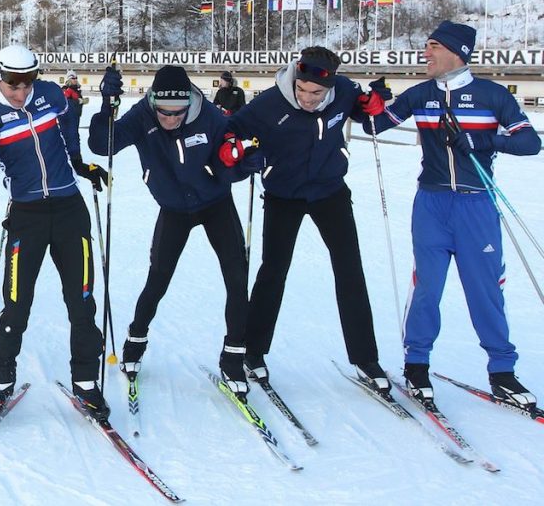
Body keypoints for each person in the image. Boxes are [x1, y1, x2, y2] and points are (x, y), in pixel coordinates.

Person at [364, 21, 541, 409]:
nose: (423, 53)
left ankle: (502, 373)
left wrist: (484, 140)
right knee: (427, 286)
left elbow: (531, 142)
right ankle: (416, 364)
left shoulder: (492, 95)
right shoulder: (421, 94)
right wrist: (373, 102)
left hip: (476, 205)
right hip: (432, 204)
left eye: (430, 46)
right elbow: (374, 125)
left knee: (486, 289)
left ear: (455, 51)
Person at [0, 44, 110, 422]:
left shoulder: (52, 95)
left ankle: (86, 383)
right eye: (12, 85)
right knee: (16, 305)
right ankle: (0, 385)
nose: (20, 93)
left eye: (27, 83)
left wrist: (77, 163)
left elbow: (68, 128)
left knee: (82, 302)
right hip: (27, 215)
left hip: (70, 210)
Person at [226, 46, 391, 394]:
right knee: (273, 271)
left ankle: (365, 357)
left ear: (330, 86)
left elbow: (365, 108)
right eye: (302, 89)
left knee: (350, 269)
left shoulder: (343, 90)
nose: (307, 98)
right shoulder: (270, 104)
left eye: (316, 93)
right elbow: (230, 130)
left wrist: (375, 101)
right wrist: (243, 150)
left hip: (330, 191)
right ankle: (253, 351)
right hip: (284, 195)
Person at [88, 65, 251, 394]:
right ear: (153, 102)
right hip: (174, 208)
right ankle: (135, 341)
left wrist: (244, 162)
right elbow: (102, 145)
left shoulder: (210, 117)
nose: (171, 119)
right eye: (164, 112)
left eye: (178, 113)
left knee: (236, 277)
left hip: (215, 202)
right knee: (158, 278)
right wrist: (107, 105)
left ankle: (233, 357)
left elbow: (233, 163)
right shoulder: (142, 116)